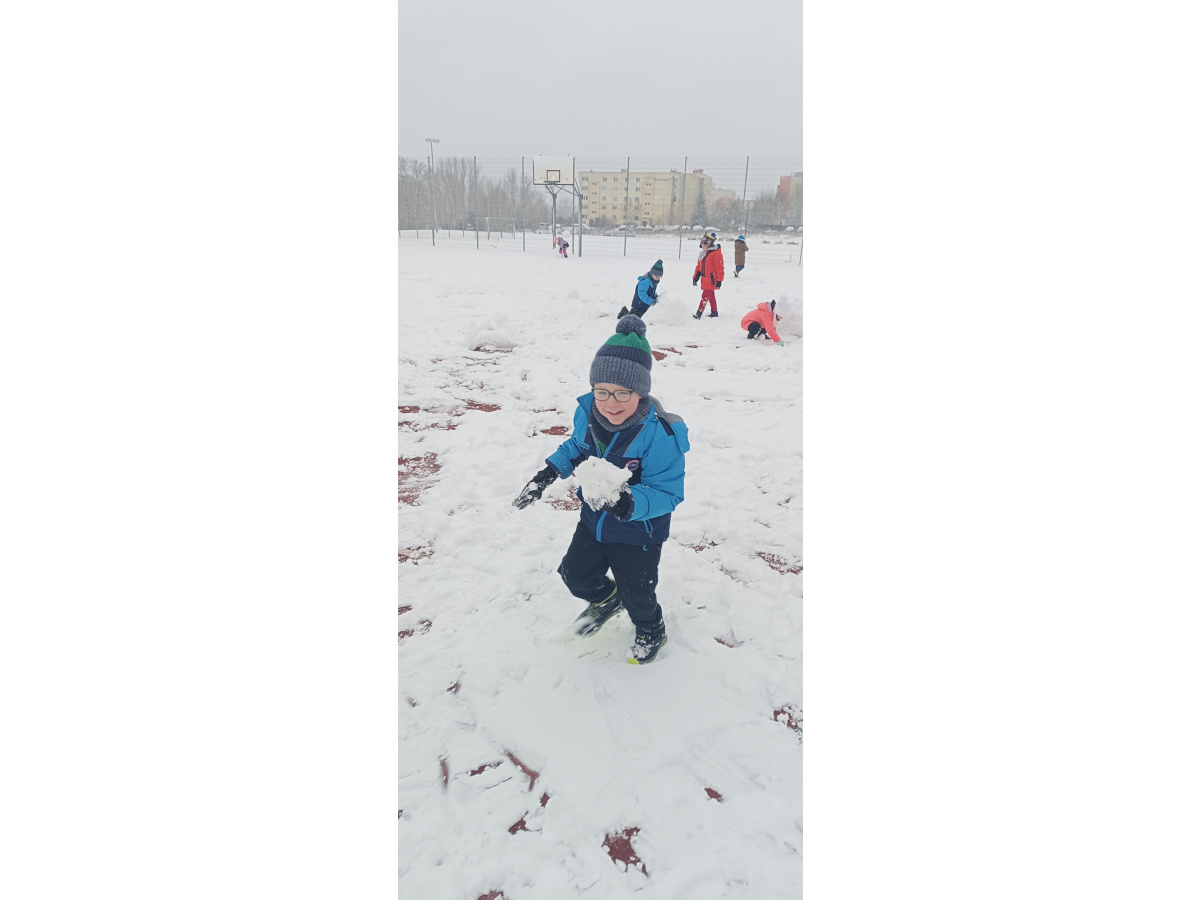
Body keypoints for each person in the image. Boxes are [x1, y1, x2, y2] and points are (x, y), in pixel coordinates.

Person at [512, 315, 690, 665]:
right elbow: (576, 448)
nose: (611, 403)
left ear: (641, 392)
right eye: (602, 392)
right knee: (574, 575)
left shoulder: (659, 435)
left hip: (639, 531)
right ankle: (608, 598)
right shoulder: (588, 414)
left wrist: (628, 504)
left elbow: (669, 493)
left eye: (624, 393)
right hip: (594, 519)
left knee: (638, 594)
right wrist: (548, 474)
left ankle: (652, 629)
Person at [691, 228, 725, 319]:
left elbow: (720, 268)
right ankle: (714, 311)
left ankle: (699, 312)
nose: (702, 247)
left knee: (705, 296)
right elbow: (699, 267)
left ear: (709, 244)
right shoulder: (703, 254)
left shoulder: (716, 254)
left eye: (704, 246)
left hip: (712, 279)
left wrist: (719, 280)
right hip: (705, 279)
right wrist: (695, 277)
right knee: (711, 296)